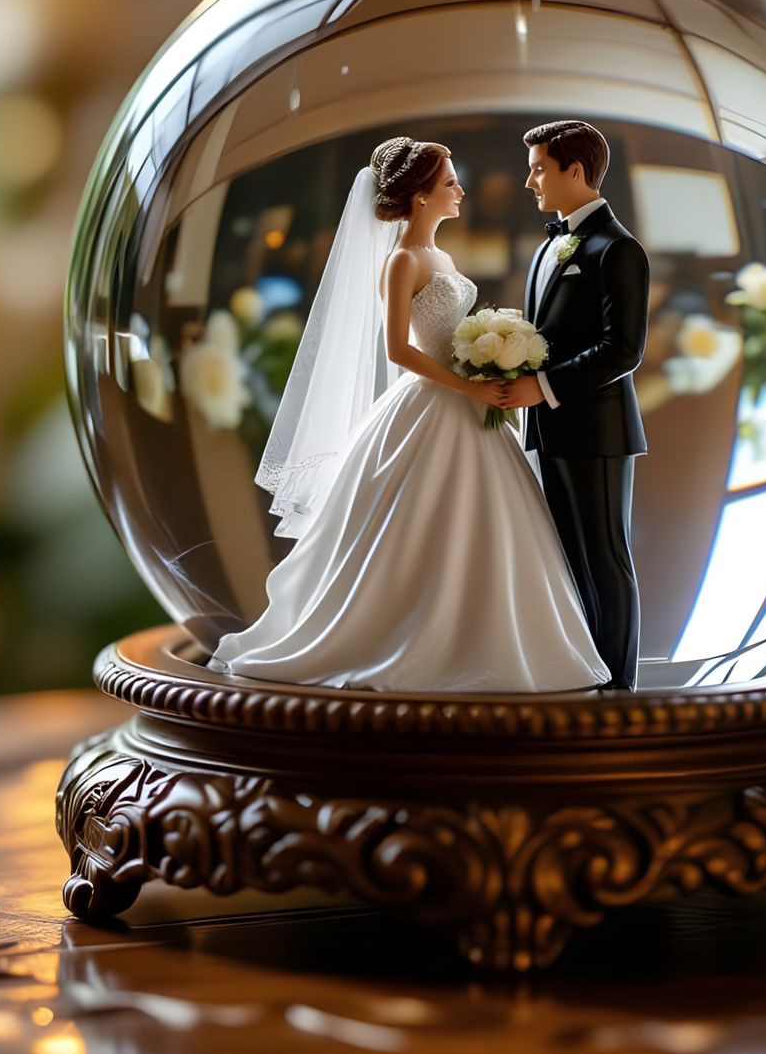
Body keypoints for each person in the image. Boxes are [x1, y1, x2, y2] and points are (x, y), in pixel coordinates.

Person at [210, 136, 610, 693]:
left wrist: (489, 361)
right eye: (448, 183)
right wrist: (468, 386)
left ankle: (484, 639)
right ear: (420, 198)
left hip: (466, 398)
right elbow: (399, 349)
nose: (460, 191)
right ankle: (411, 640)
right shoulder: (402, 260)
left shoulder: (440, 256)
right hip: (432, 399)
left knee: (487, 522)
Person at [494, 120, 649, 690]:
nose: (529, 180)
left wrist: (545, 387)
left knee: (605, 556)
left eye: (538, 168)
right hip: (549, 430)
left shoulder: (618, 249)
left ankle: (619, 685)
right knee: (568, 560)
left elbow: (623, 349)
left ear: (574, 172)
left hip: (598, 431)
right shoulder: (545, 248)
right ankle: (585, 672)